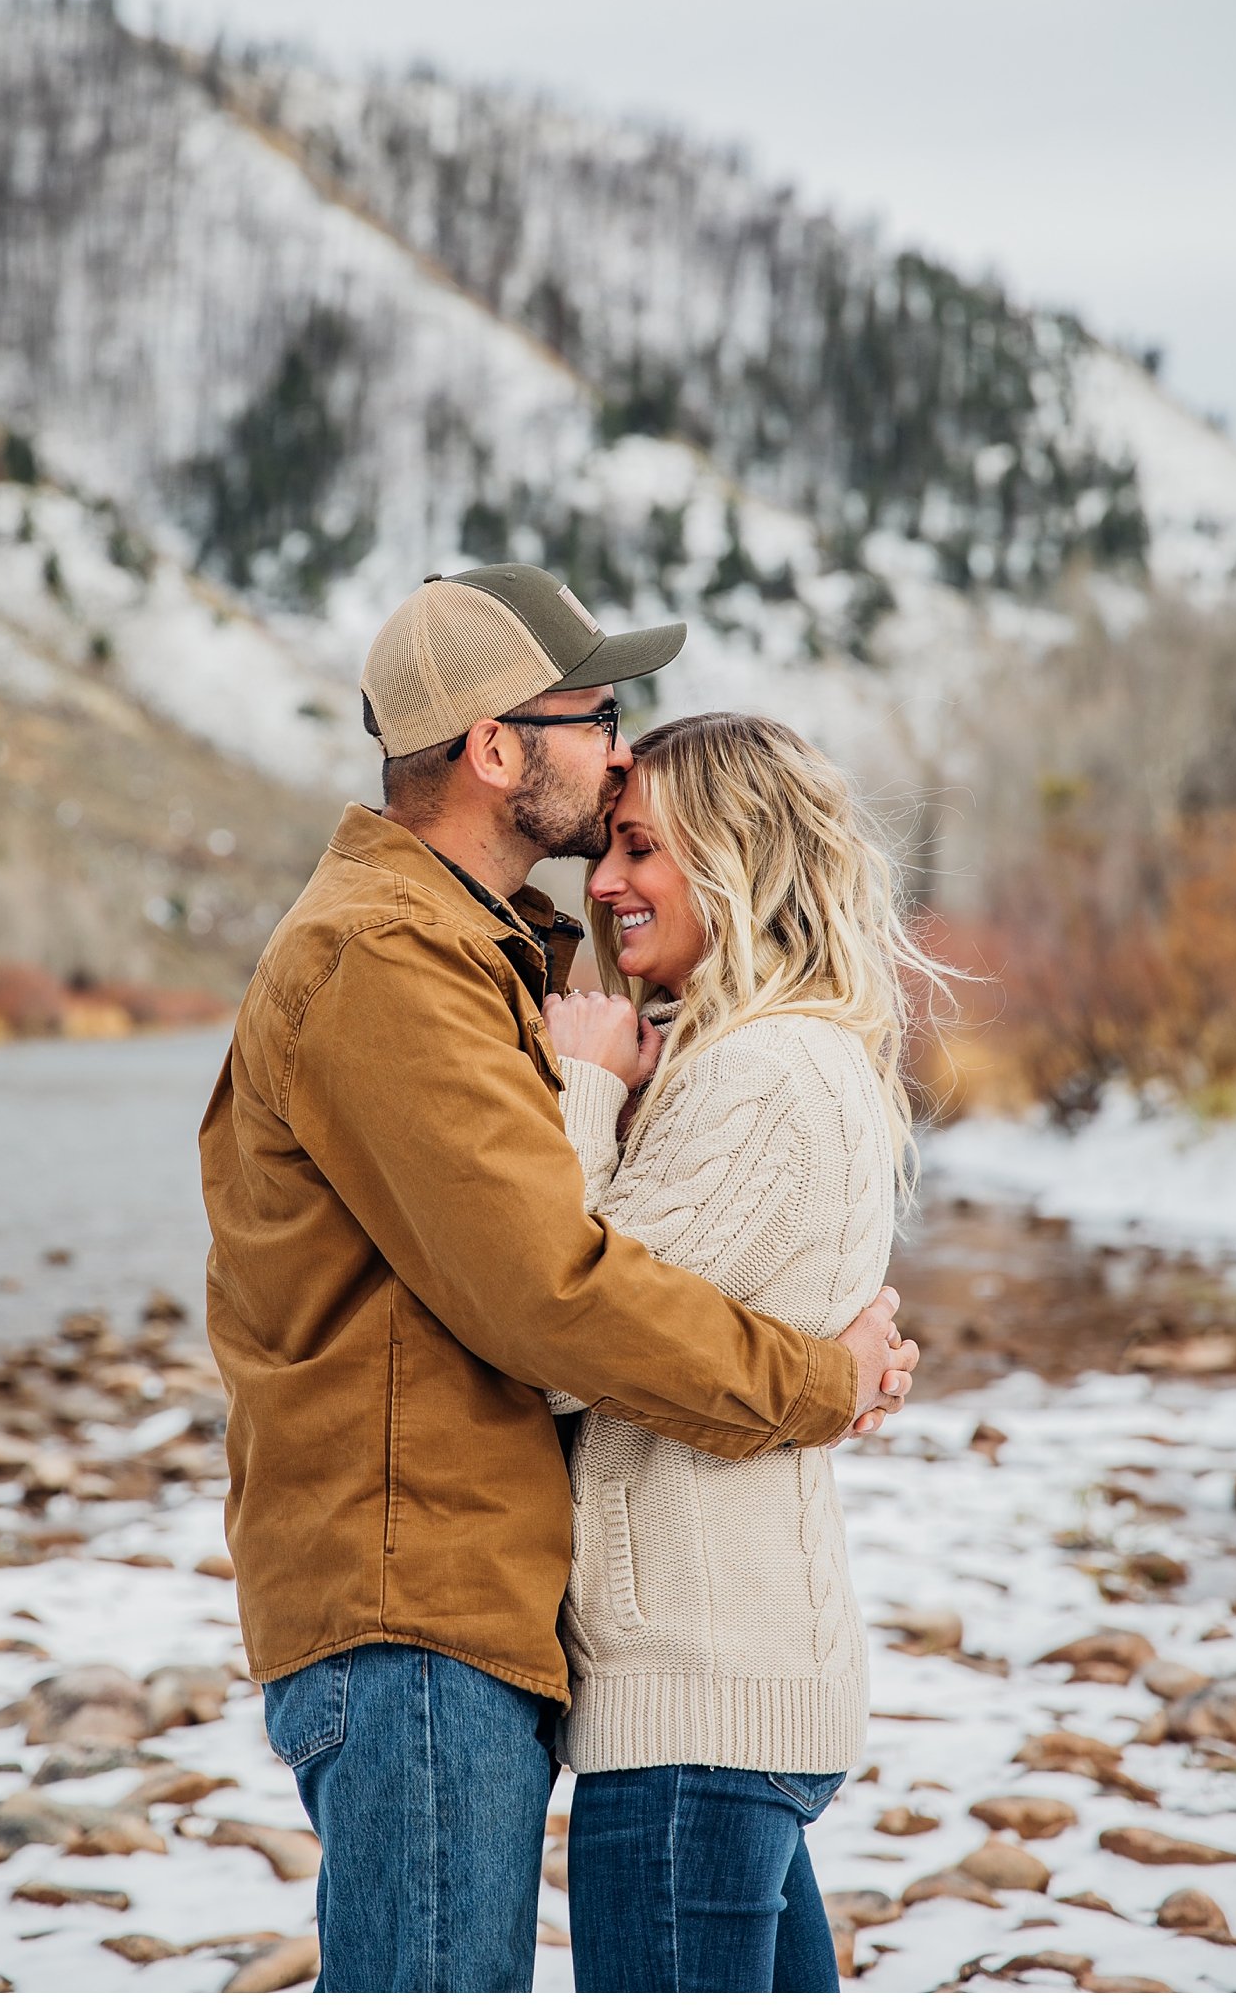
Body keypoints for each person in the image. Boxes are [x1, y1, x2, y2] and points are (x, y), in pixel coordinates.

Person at [198, 565, 919, 1994]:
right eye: (595, 714)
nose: (617, 746)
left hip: (469, 1612)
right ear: (493, 748)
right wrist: (819, 1378)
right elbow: (556, 1298)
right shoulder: (382, 960)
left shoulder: (473, 954)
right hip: (414, 1612)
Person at [541, 712, 946, 1994]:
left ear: (740, 855)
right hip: (747, 1687)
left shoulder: (761, 1073)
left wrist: (587, 1087)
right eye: (608, 844)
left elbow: (563, 1335)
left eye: (643, 846)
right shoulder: (785, 1056)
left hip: (695, 1705)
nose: (605, 883)